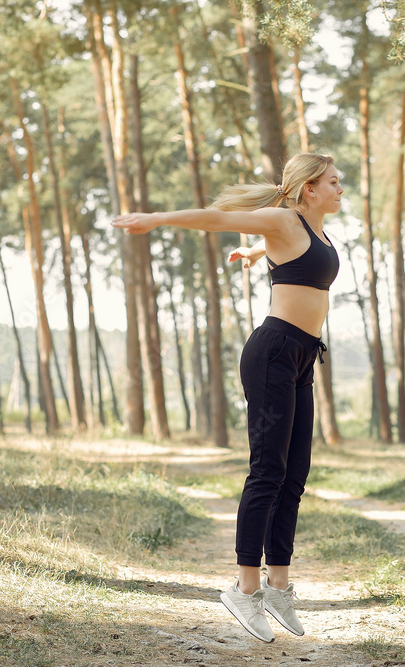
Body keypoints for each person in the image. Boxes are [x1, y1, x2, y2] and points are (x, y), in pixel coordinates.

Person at [113, 152, 343, 643]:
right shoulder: (281, 218)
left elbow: (296, 257)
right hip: (273, 353)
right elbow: (218, 218)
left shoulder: (312, 229)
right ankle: (244, 588)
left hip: (303, 356)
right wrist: (155, 219)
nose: (341, 188)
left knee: (294, 474)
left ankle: (279, 585)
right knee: (268, 471)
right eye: (333, 182)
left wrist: (260, 255)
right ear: (308, 188)